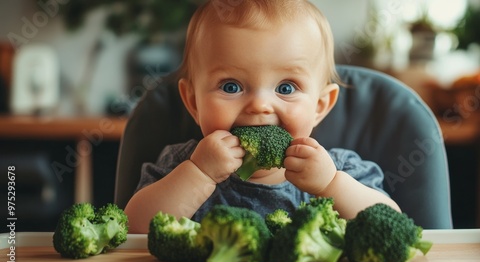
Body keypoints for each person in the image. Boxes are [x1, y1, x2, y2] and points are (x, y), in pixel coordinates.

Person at [124, 0, 400, 233]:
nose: (259, 105)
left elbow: (392, 227)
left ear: (319, 106)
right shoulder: (180, 164)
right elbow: (134, 231)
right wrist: (199, 174)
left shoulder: (340, 170)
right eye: (231, 86)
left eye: (286, 88)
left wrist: (330, 185)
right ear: (193, 102)